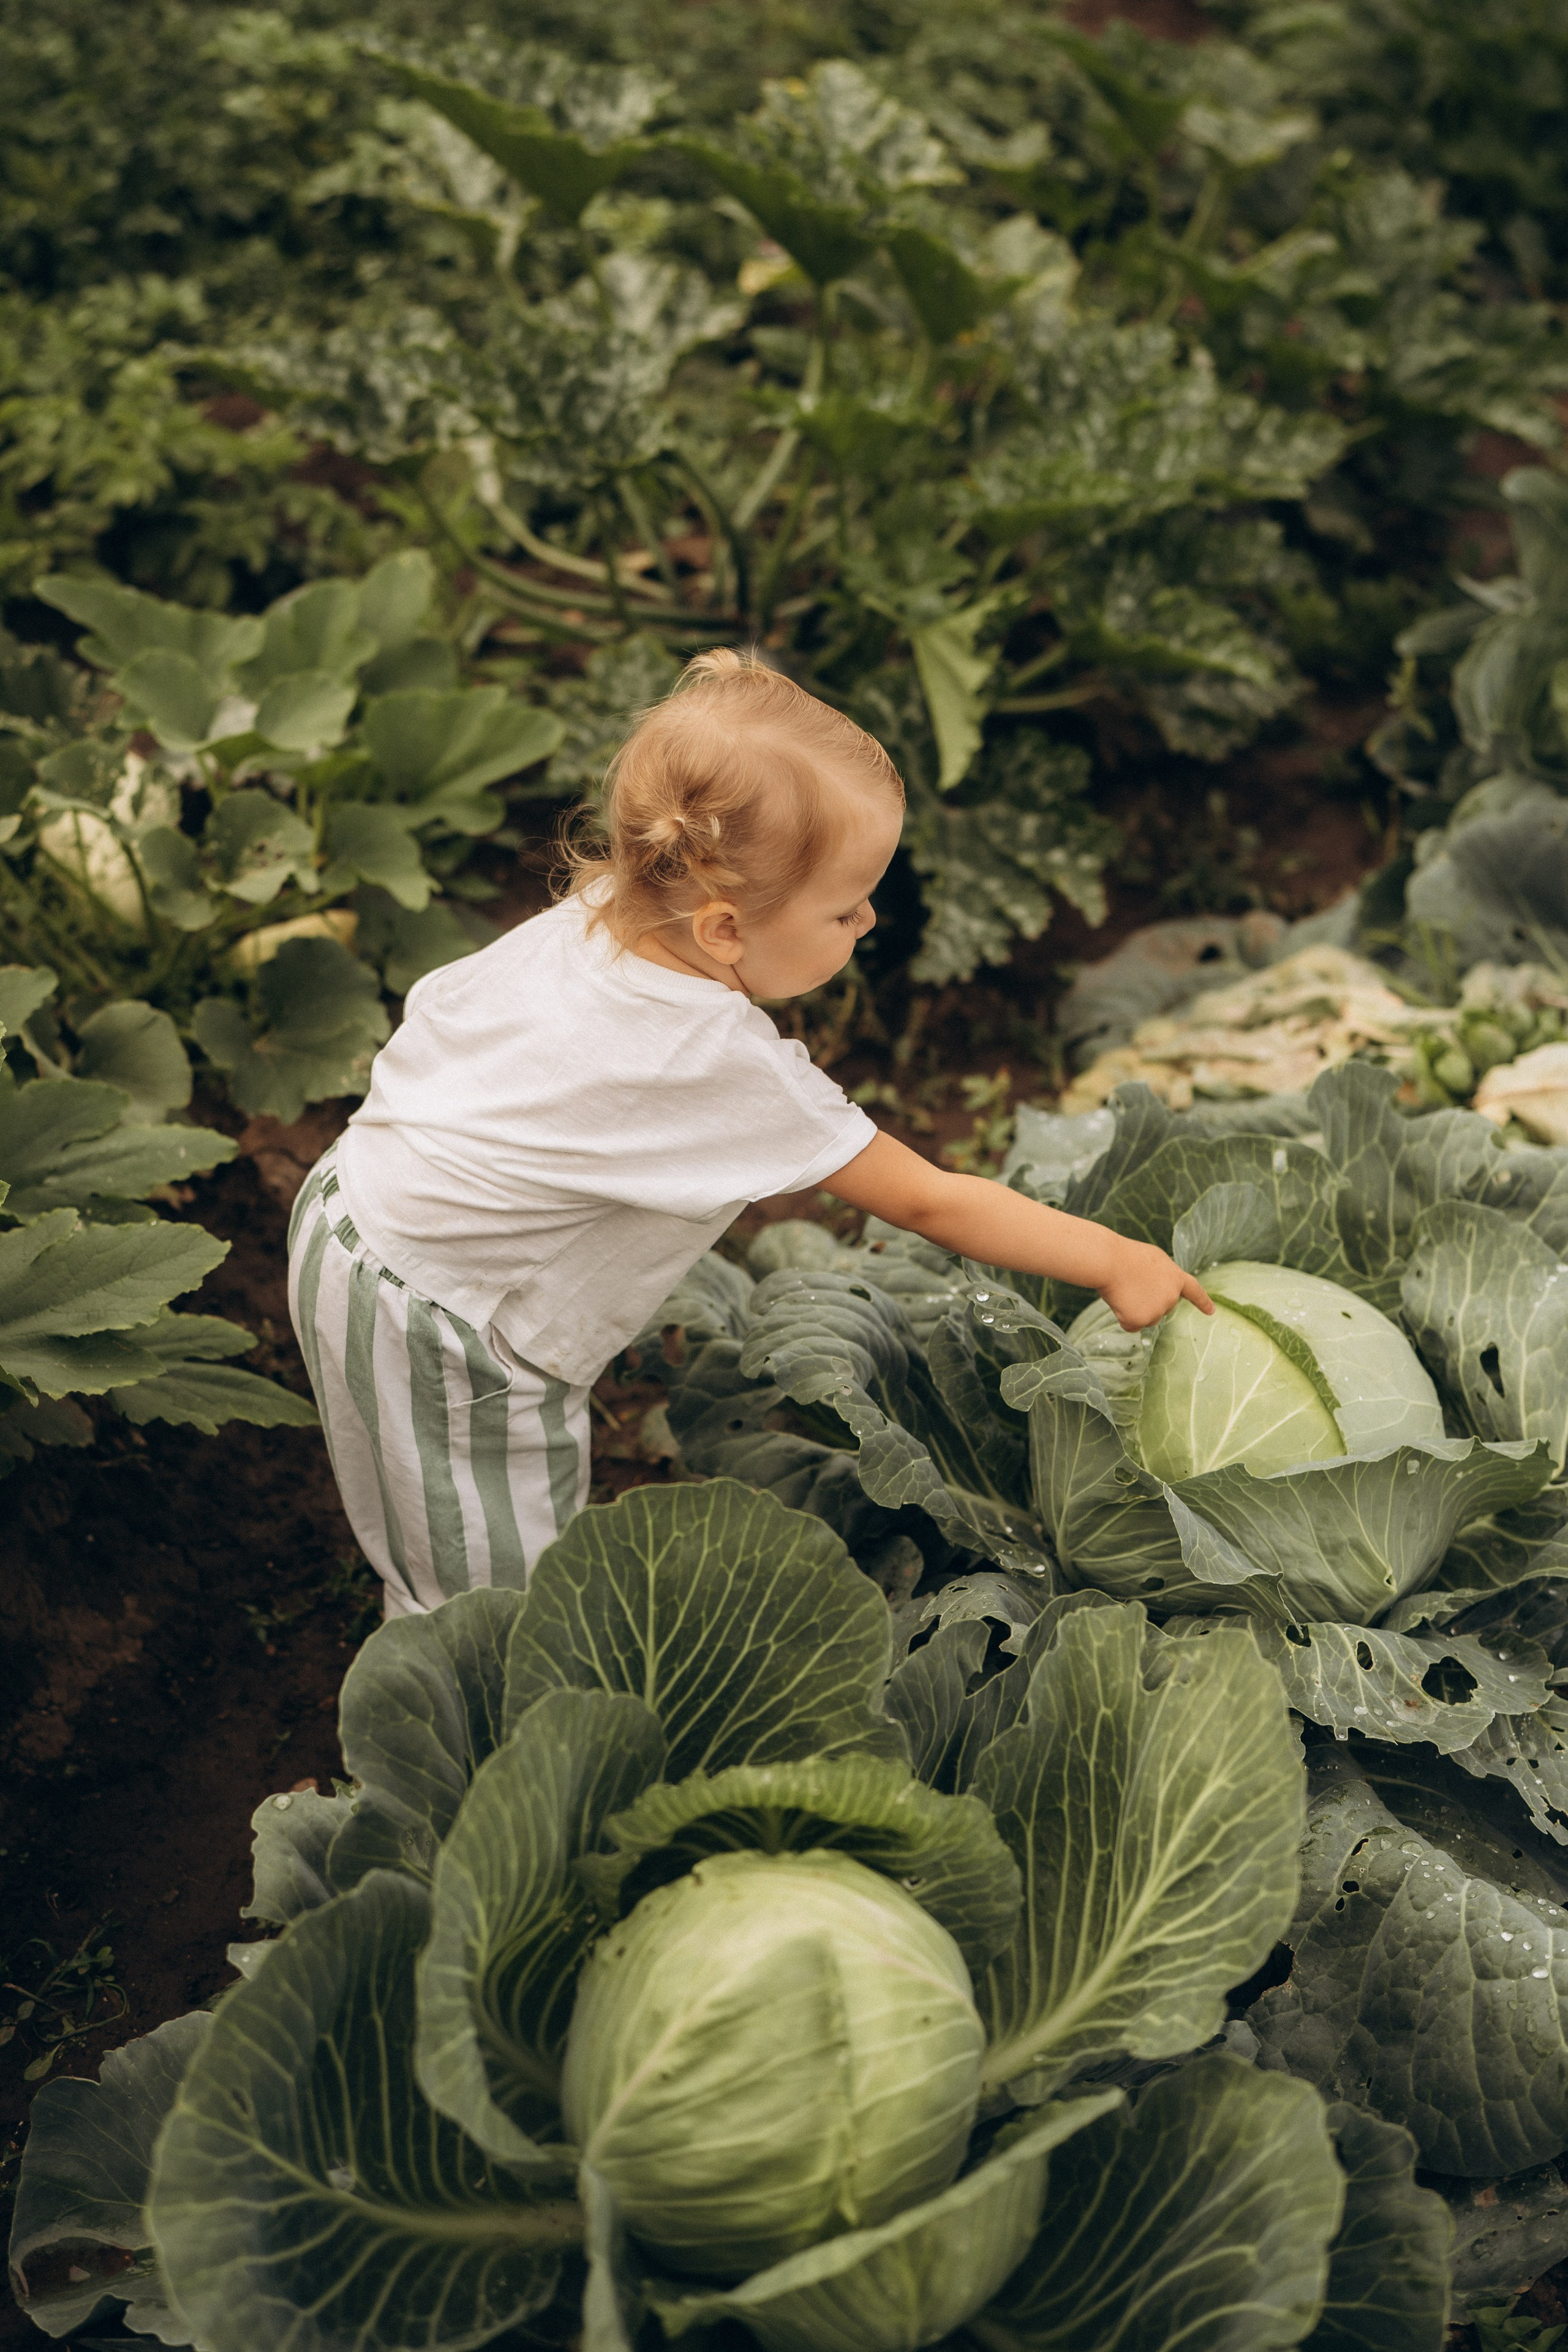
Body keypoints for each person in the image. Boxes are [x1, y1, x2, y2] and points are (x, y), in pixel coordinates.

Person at [288, 648, 1212, 1617]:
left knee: (443, 1509)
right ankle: (467, 1729)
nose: (869, 920)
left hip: (357, 1202)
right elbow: (928, 1198)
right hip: (437, 1315)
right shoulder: (715, 1061)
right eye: (846, 907)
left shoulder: (605, 912)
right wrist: (1114, 1261)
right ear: (723, 930)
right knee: (485, 1589)